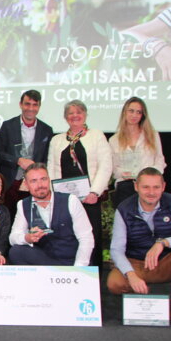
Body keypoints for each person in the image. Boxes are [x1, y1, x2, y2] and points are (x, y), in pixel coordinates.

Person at [107, 168, 171, 324]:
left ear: (163, 186)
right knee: (114, 283)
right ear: (136, 186)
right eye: (146, 187)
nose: (151, 192)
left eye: (156, 187)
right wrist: (131, 274)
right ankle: (143, 296)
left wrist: (163, 243)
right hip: (137, 263)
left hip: (167, 261)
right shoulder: (124, 209)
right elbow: (116, 249)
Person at [48, 100, 112, 267]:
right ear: (65, 117)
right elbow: (51, 170)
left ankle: (92, 283)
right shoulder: (57, 140)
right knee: (66, 239)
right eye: (71, 113)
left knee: (91, 241)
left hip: (89, 200)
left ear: (85, 115)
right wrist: (54, 196)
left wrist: (95, 192)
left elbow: (105, 166)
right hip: (64, 201)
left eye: (79, 112)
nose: (75, 116)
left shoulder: (96, 135)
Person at [8, 163, 94, 266]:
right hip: (45, 261)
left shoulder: (70, 200)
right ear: (26, 185)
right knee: (16, 252)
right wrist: (27, 238)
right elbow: (13, 238)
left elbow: (86, 238)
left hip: (71, 261)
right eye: (34, 181)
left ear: (49, 180)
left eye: (43, 179)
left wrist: (78, 269)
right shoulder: (23, 204)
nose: (40, 185)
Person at [0, 90, 53, 212]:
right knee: (8, 222)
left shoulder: (47, 130)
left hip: (35, 187)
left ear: (39, 106)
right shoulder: (7, 126)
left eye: (34, 105)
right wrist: (18, 160)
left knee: (33, 223)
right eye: (27, 104)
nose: (31, 108)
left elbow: (47, 159)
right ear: (20, 104)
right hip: (10, 184)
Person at [108, 97, 166, 207]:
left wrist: (149, 174)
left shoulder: (152, 135)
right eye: (131, 111)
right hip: (125, 186)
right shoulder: (113, 140)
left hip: (149, 185)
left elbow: (160, 160)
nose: (134, 115)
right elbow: (114, 168)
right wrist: (122, 173)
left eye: (138, 112)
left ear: (142, 115)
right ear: (124, 112)